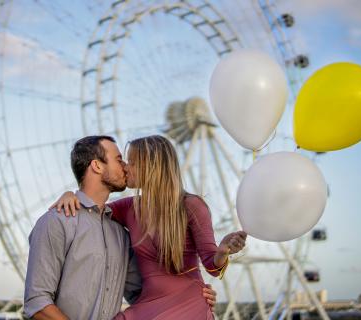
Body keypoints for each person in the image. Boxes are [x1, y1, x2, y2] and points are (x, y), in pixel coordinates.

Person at [53, 135, 247, 320]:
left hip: (186, 304)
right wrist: (71, 195)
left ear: (151, 167)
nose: (125, 167)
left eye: (132, 162)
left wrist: (222, 251)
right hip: (146, 303)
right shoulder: (128, 207)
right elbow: (92, 210)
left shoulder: (191, 206)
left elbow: (213, 267)